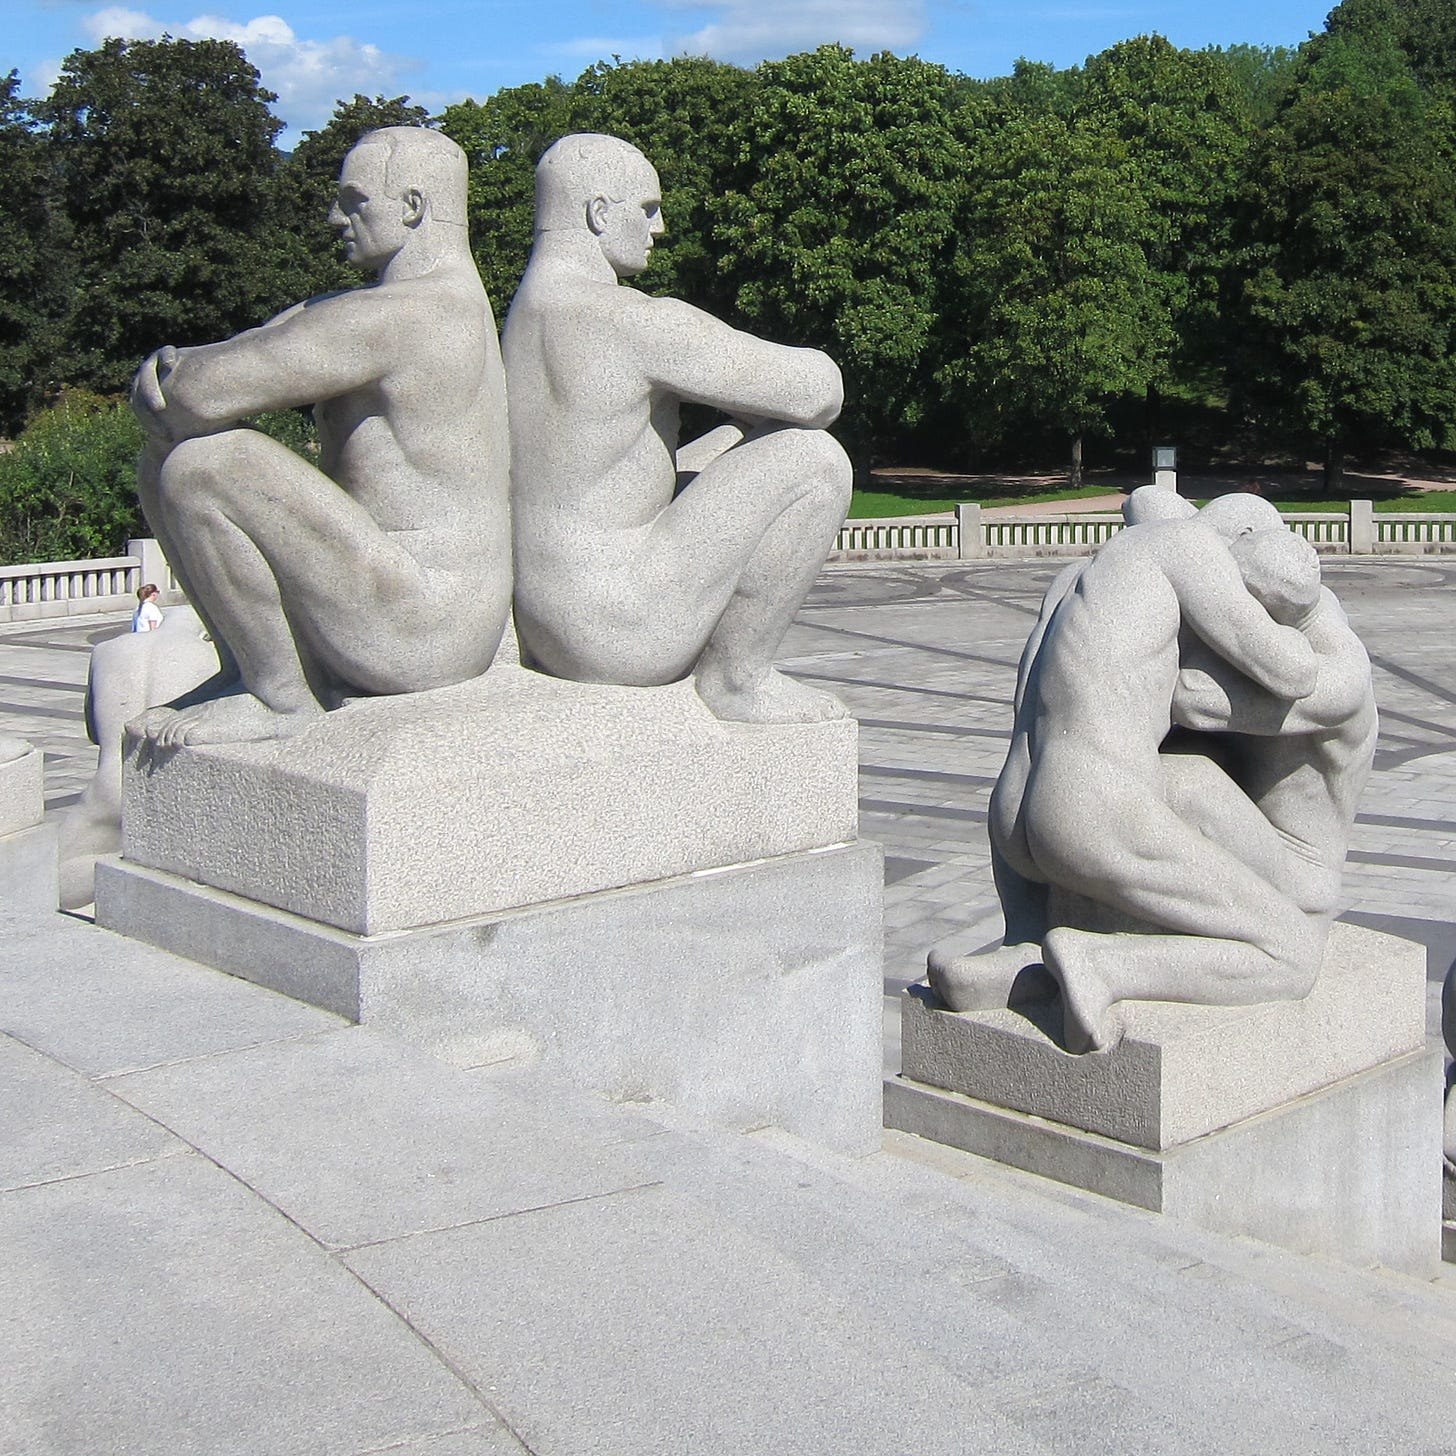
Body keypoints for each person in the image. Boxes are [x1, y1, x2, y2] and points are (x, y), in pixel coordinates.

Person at [129, 126, 511, 748]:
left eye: (354, 200)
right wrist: (182, 375)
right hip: (397, 596)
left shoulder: (416, 313)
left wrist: (170, 373)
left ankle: (278, 698)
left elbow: (196, 393)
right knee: (165, 457)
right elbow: (225, 363)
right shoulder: (385, 307)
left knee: (208, 465)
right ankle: (244, 674)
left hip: (424, 624)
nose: (336, 218)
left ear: (413, 207)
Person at [928, 493, 1325, 1051]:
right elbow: (1289, 671)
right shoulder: (1185, 547)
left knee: (1064, 900)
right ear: (1240, 544)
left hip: (1011, 815)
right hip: (1090, 803)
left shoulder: (1075, 575)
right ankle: (1101, 965)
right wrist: (1299, 621)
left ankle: (1019, 955)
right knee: (1292, 952)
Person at [502, 133, 851, 724]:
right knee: (814, 459)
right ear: (598, 212)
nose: (658, 228)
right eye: (647, 210)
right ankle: (738, 679)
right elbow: (819, 393)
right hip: (617, 626)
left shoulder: (525, 315)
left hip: (547, 614)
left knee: (731, 442)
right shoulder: (627, 319)